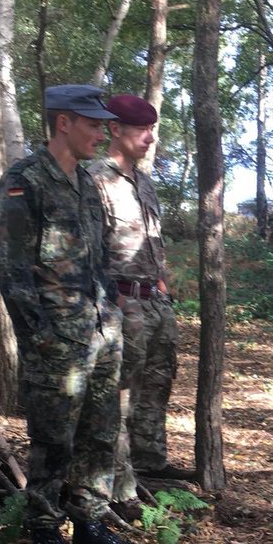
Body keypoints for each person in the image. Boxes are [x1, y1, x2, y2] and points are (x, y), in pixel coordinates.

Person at [0, 84, 145, 544]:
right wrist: (39, 336)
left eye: (104, 125)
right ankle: (46, 538)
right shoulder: (24, 181)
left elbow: (98, 258)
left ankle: (88, 527)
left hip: (101, 333)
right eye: (93, 123)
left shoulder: (85, 182)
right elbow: (10, 269)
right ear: (64, 123)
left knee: (99, 436)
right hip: (57, 341)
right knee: (53, 443)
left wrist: (111, 316)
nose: (102, 132)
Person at [88, 94, 180, 522]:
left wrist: (164, 287)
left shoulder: (144, 181)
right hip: (121, 303)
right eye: (140, 129)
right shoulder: (93, 179)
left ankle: (151, 466)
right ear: (114, 130)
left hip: (156, 301)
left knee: (157, 385)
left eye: (152, 129)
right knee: (118, 396)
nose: (149, 137)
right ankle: (121, 486)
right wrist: (116, 300)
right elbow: (88, 251)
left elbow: (154, 242)